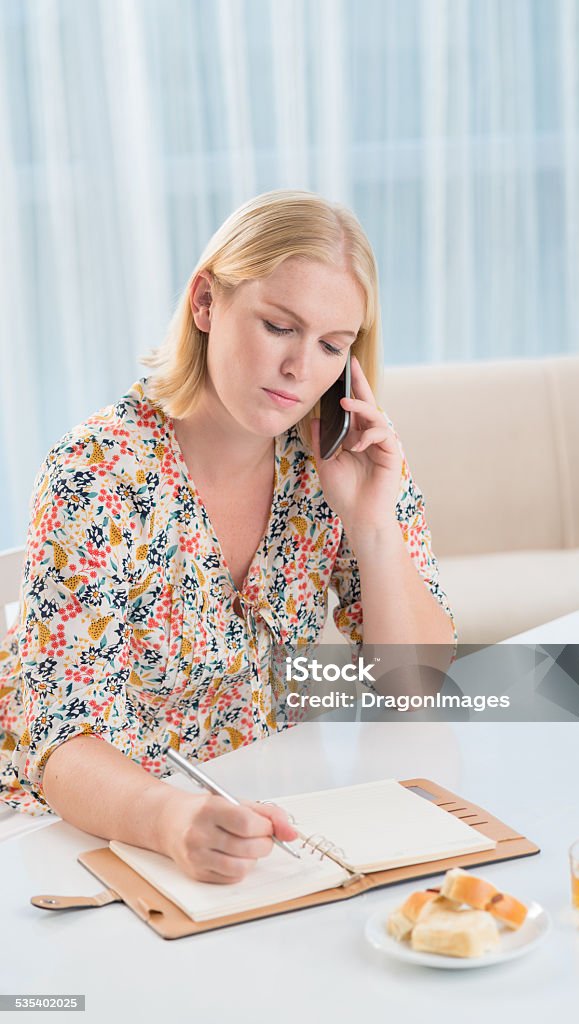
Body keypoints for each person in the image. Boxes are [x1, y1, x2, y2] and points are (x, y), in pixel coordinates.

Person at [0, 189, 457, 882]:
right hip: (81, 831)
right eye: (279, 326)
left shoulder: (343, 462)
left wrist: (373, 527)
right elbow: (61, 741)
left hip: (253, 818)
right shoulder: (96, 473)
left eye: (332, 345)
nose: (301, 369)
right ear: (206, 303)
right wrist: (172, 820)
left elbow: (410, 689)